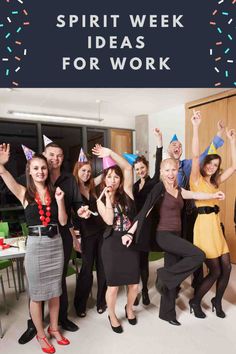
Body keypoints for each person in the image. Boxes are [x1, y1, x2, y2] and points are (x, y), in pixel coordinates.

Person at [124, 158, 225, 325]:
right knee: (198, 255)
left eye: (174, 170)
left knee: (172, 272)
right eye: (167, 170)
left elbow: (194, 194)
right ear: (162, 172)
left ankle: (167, 313)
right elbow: (145, 211)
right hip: (164, 235)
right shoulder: (159, 188)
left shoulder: (179, 190)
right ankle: (163, 275)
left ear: (177, 171)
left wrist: (213, 195)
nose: (171, 174)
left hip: (176, 235)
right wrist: (130, 232)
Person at [0, 144, 70, 353]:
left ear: (48, 171)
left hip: (55, 243)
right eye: (36, 168)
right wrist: (2, 164)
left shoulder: (55, 192)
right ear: (29, 171)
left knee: (55, 292)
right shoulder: (24, 193)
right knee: (37, 295)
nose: (40, 171)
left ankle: (54, 328)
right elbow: (4, 175)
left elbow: (64, 222)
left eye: (43, 168)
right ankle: (40, 334)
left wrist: (60, 201)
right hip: (36, 246)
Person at [18, 142, 88, 344]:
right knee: (36, 287)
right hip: (38, 240)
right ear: (44, 157)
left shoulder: (68, 180)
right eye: (51, 155)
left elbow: (75, 205)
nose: (54, 159)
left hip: (60, 235)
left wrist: (81, 212)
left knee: (58, 283)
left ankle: (60, 322)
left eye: (59, 155)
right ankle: (35, 326)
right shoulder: (32, 181)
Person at [167, 119, 225, 290]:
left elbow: (207, 151)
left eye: (179, 145)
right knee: (176, 249)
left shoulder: (189, 164)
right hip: (174, 216)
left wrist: (220, 133)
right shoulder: (166, 169)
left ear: (181, 149)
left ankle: (197, 281)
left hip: (192, 212)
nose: (177, 147)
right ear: (169, 150)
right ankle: (174, 284)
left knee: (196, 248)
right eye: (173, 145)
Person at [189, 112, 236, 318]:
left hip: (216, 227)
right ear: (205, 162)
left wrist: (233, 141)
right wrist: (196, 127)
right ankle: (195, 301)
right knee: (215, 270)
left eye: (216, 165)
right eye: (210, 163)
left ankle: (217, 300)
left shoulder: (215, 182)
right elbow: (196, 155)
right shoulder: (196, 178)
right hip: (203, 228)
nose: (212, 166)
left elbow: (234, 167)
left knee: (227, 268)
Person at [92, 145, 140, 334]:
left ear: (120, 180)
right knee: (112, 287)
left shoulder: (127, 191)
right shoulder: (101, 198)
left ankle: (129, 308)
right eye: (109, 176)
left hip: (130, 241)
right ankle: (112, 314)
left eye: (116, 176)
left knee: (134, 284)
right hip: (112, 243)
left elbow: (128, 168)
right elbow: (110, 220)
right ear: (104, 179)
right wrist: (108, 200)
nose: (112, 179)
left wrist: (109, 153)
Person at [72, 154, 107, 317]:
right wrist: (75, 237)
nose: (86, 174)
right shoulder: (73, 190)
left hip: (101, 231)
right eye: (83, 170)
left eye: (89, 171)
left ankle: (102, 301)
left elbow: (108, 170)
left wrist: (107, 154)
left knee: (102, 268)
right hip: (85, 235)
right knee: (86, 270)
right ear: (77, 171)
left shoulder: (93, 187)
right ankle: (80, 305)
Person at [132, 128, 162, 305]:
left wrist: (159, 141)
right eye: (137, 169)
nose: (140, 171)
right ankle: (134, 291)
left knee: (143, 260)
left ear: (147, 168)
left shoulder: (154, 181)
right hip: (135, 225)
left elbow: (159, 163)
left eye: (142, 168)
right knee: (134, 261)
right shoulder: (135, 186)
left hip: (147, 225)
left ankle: (144, 291)